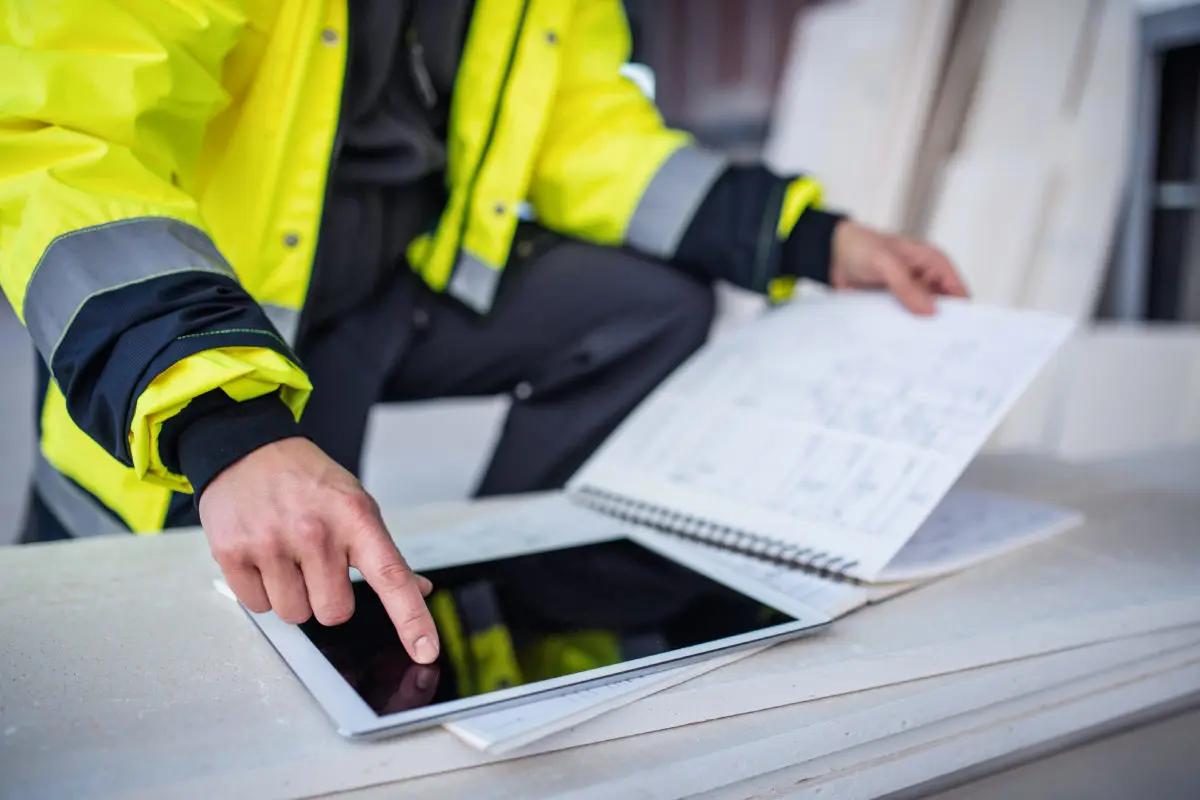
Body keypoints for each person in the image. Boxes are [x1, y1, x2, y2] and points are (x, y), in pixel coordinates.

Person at [1, 1, 967, 666]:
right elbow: (52, 131)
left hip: (400, 279)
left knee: (648, 305)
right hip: (212, 312)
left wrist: (812, 237)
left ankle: (534, 610)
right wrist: (223, 422)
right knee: (176, 655)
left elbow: (582, 133)